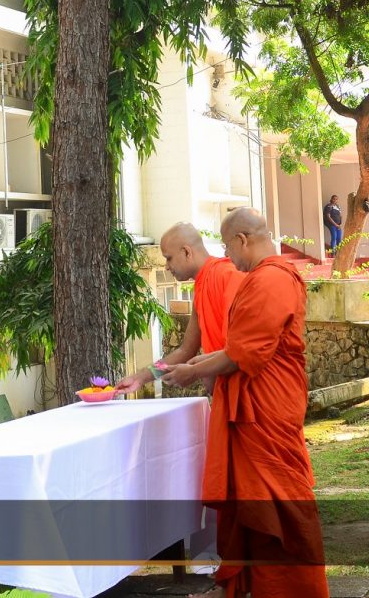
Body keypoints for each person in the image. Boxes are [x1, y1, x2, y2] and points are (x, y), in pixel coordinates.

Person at [163, 207, 329, 598]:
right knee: (252, 508)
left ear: (242, 240)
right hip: (253, 405)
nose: (226, 254)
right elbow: (228, 347)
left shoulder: (270, 279)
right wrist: (187, 366)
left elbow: (244, 354)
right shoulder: (255, 278)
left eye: (227, 246)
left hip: (266, 409)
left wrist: (193, 371)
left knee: (280, 506)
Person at [115, 222, 246, 395]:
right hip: (223, 395)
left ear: (186, 252)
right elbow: (185, 350)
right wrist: (141, 378)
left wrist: (196, 371)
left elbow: (242, 349)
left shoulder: (229, 276)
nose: (166, 266)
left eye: (169, 258)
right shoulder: (201, 286)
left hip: (246, 392)